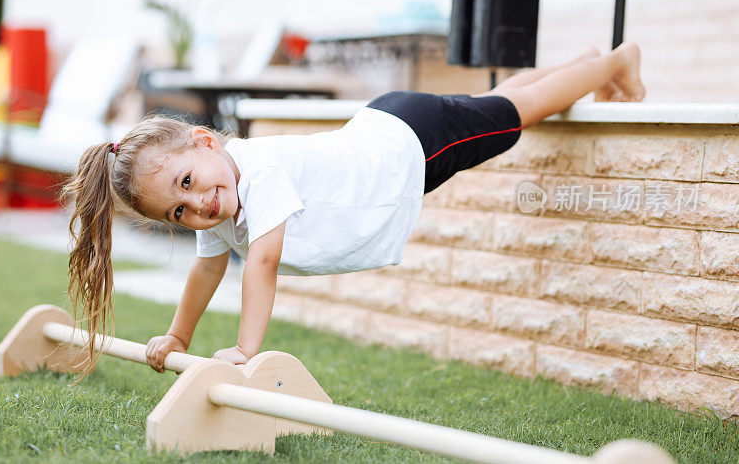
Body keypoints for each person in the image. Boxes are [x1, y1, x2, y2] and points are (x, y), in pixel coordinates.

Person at [63, 41, 645, 376]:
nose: (198, 207)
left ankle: (615, 61)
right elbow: (207, 269)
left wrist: (246, 351)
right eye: (178, 213)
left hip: (409, 144)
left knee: (515, 113)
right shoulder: (224, 192)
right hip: (390, 128)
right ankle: (585, 61)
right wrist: (179, 337)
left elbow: (260, 264)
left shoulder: (257, 173)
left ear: (207, 142)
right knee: (495, 105)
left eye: (189, 182)